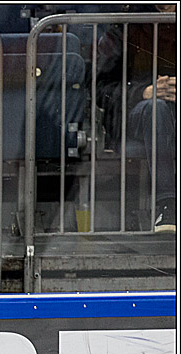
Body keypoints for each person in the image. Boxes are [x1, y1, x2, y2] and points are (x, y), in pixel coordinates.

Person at [95, 5, 176, 231]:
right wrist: (143, 92)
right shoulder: (124, 28)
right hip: (134, 115)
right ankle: (168, 207)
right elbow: (101, 89)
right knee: (156, 109)